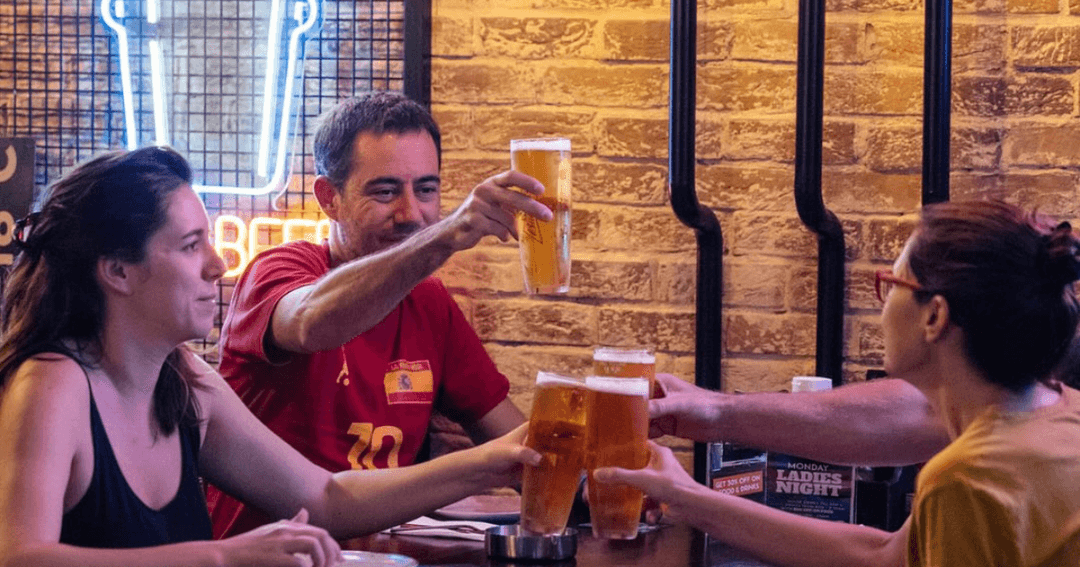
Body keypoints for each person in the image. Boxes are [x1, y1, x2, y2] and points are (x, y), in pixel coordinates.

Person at [0, 146, 539, 566]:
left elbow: (329, 497)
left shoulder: (182, 377)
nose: (217, 265)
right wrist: (223, 557)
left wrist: (490, 462)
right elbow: (18, 556)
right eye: (191, 246)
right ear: (116, 270)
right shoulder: (53, 383)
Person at [598, 200, 1080, 567]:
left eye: (891, 283)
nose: (882, 304)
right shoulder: (1063, 416)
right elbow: (889, 557)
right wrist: (691, 497)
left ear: (934, 316)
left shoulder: (963, 480)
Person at [207, 91, 551, 538]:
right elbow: (313, 322)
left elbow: (520, 444)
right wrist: (445, 236)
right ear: (329, 198)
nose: (412, 214)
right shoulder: (277, 270)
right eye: (386, 191)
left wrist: (607, 474)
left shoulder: (430, 303)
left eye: (426, 190)